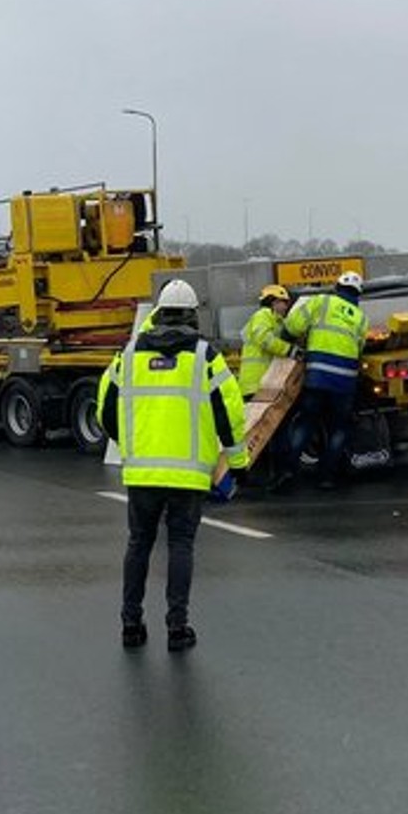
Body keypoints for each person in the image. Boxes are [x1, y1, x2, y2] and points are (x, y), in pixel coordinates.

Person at [96, 278, 248, 652]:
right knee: (181, 545)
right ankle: (177, 629)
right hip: (189, 477)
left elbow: (105, 409)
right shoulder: (205, 357)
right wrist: (239, 462)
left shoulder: (128, 355)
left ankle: (131, 624)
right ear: (193, 316)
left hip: (142, 473)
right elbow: (231, 413)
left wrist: (130, 443)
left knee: (138, 544)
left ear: (160, 313)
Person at [283, 270, 370, 488]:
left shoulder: (321, 302)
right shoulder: (361, 319)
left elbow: (293, 326)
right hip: (345, 382)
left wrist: (290, 340)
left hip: (317, 377)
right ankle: (327, 477)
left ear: (337, 287)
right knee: (339, 427)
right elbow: (360, 349)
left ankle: (287, 472)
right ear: (357, 294)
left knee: (307, 422)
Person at [237, 283, 295, 490]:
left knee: (264, 432)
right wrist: (290, 350)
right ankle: (265, 474)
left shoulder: (275, 320)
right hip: (257, 385)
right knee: (262, 433)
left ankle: (265, 475)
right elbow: (264, 339)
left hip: (262, 385)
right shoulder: (263, 316)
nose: (286, 307)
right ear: (272, 302)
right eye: (283, 302)